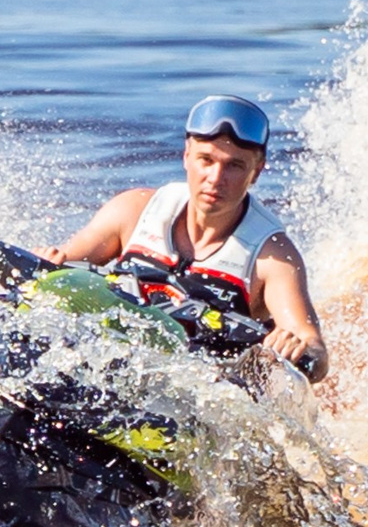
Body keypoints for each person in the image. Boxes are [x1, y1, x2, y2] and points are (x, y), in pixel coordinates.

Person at [41, 94, 329, 379]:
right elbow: (61, 265)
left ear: (256, 172)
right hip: (112, 367)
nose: (216, 178)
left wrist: (297, 348)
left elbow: (315, 349)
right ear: (186, 157)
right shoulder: (133, 210)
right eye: (206, 160)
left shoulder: (273, 257)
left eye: (234, 166)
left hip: (200, 393)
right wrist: (46, 264)